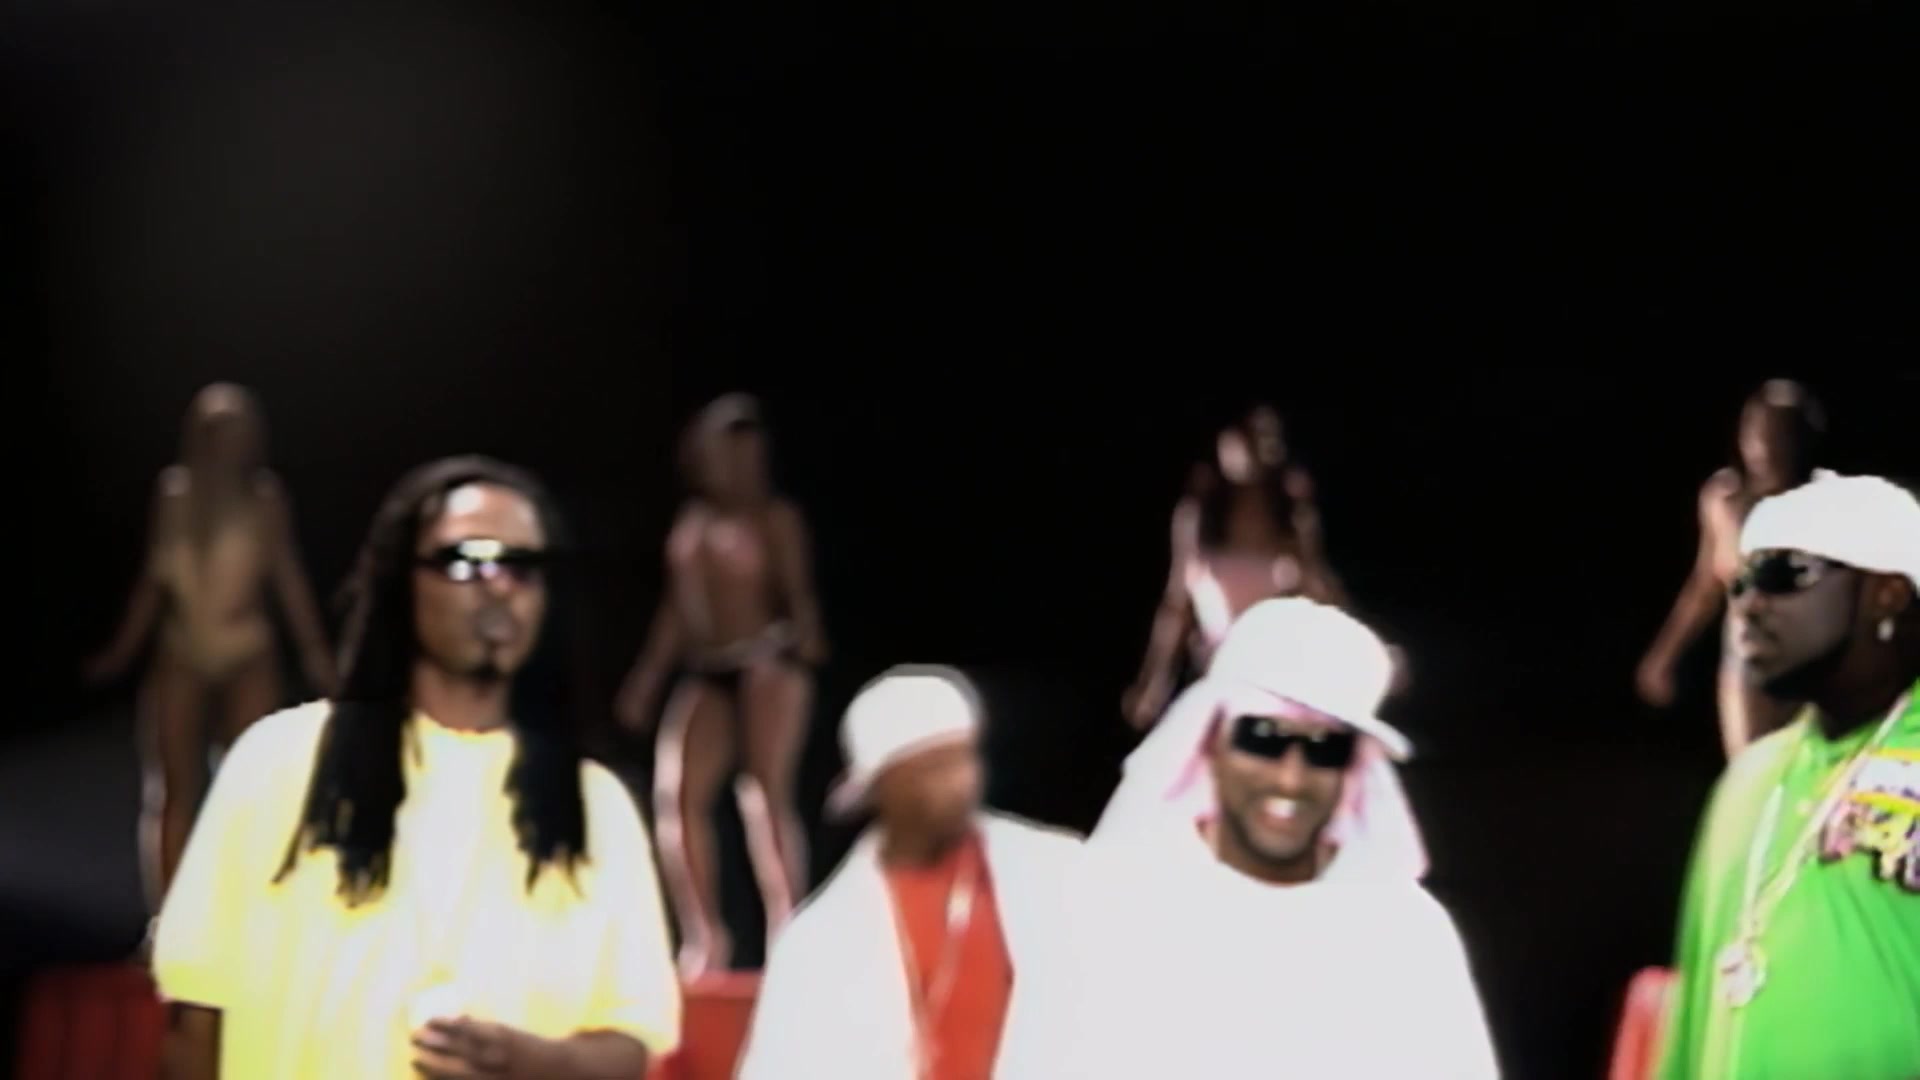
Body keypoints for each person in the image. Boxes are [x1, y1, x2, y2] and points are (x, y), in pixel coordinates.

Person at [152, 456, 681, 1079]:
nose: (499, 586)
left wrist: (530, 1064)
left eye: (522, 567)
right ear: (402, 579)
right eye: (466, 559)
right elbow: (196, 1024)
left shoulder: (595, 807)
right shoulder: (279, 762)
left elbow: (630, 1045)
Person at [1000, 598, 1497, 1079]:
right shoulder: (1108, 903)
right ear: (1207, 738)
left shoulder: (1404, 933)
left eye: (1325, 749)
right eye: (1263, 738)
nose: (1290, 779)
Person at [1657, 473, 1920, 1080]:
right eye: (1742, 580)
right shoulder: (1748, 780)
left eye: (1784, 573)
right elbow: (1691, 1019)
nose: (1747, 604)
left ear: (1886, 593)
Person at [735, 665, 1081, 1080]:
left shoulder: (1059, 872)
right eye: (932, 768)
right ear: (880, 787)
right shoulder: (818, 938)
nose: (959, 782)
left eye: (963, 758)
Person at [82, 382, 337, 919]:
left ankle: (243, 917)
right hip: (183, 650)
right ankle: (167, 919)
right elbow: (155, 581)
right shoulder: (174, 494)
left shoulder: (264, 499)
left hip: (246, 648)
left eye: (237, 430)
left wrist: (316, 653)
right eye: (217, 430)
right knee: (174, 790)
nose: (228, 443)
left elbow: (286, 576)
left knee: (248, 785)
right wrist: (121, 651)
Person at [615, 392, 828, 977]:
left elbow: (798, 593)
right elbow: (676, 614)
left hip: (766, 660)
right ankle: (704, 936)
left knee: (764, 794)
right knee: (677, 795)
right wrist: (647, 680)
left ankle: (789, 929)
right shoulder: (691, 528)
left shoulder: (773, 519)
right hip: (709, 669)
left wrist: (805, 642)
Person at [1637, 378, 1830, 757]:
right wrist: (1665, 654)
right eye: (1757, 435)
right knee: (1749, 766)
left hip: (1811, 655)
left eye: (1781, 436)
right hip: (1747, 653)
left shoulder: (1828, 505)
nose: (1766, 448)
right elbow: (1705, 587)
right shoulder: (1724, 501)